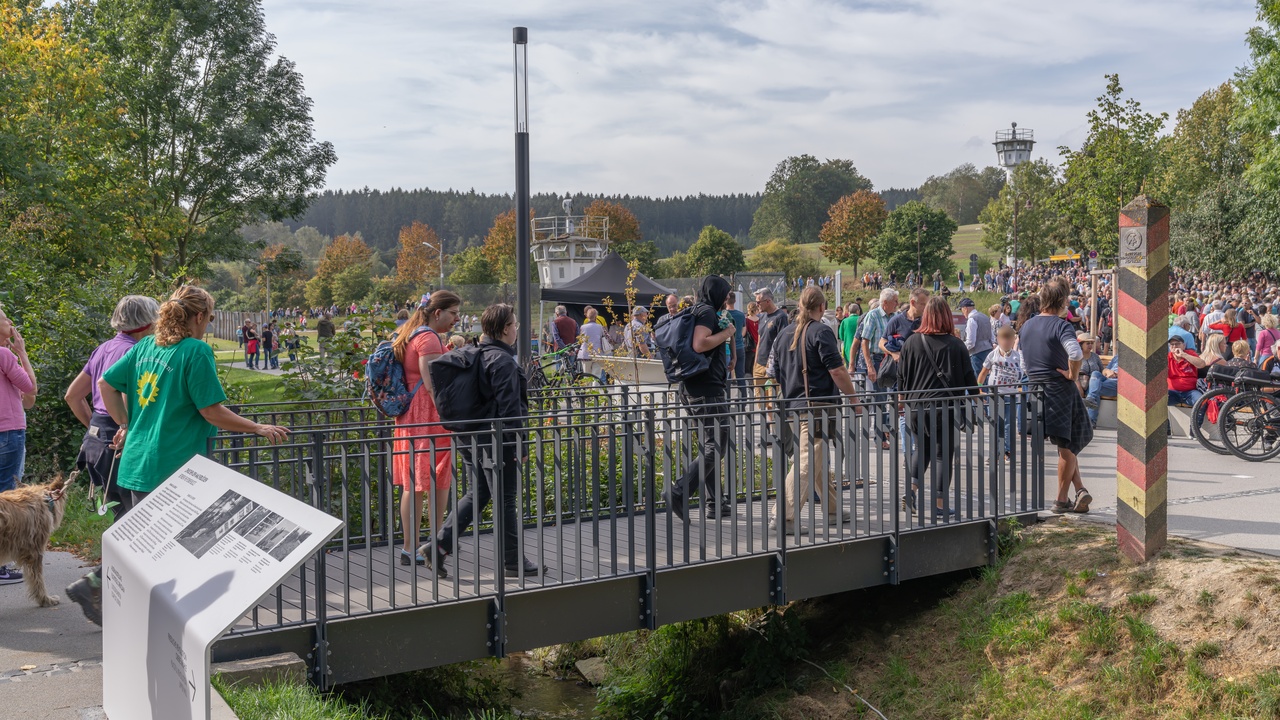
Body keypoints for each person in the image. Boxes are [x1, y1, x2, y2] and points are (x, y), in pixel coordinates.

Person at [66, 286, 288, 625]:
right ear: (199, 317)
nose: (209, 325)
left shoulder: (143, 347)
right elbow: (211, 412)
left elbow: (106, 386)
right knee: (175, 549)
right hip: (176, 465)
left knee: (152, 546)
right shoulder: (194, 351)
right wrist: (256, 427)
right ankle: (161, 619)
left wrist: (126, 422)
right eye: (210, 318)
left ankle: (111, 596)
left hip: (138, 462)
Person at [426, 304, 544, 577]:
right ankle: (513, 560)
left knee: (478, 492)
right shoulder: (502, 360)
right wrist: (519, 444)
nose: (516, 330)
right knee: (505, 498)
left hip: (470, 436)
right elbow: (510, 408)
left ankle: (438, 546)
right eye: (514, 325)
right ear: (504, 329)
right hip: (495, 440)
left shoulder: (475, 353)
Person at [64, 296, 161, 526]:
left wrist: (94, 427)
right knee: (135, 513)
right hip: (120, 438)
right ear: (149, 322)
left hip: (96, 441)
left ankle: (111, 559)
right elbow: (127, 399)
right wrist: (123, 426)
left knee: (117, 512)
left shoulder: (103, 349)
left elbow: (72, 396)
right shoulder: (137, 352)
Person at [769, 287, 856, 533]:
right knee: (807, 460)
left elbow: (774, 372)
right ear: (821, 307)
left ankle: (832, 509)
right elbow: (837, 370)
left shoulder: (784, 333)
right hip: (817, 405)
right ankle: (783, 516)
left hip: (792, 405)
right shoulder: (821, 332)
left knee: (815, 457)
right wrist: (854, 400)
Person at [391, 291, 460, 571]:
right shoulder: (429, 338)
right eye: (453, 313)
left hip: (411, 418)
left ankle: (415, 546)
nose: (456, 318)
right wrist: (451, 416)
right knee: (435, 480)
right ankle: (430, 543)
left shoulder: (412, 333)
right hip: (428, 417)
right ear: (437, 313)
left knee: (415, 483)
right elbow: (433, 383)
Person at [663, 276, 737, 521]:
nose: (727, 297)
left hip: (694, 388)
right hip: (707, 389)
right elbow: (700, 343)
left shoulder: (696, 309)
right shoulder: (706, 312)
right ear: (715, 292)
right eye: (725, 292)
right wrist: (726, 333)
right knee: (716, 445)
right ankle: (679, 491)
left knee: (709, 445)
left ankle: (715, 503)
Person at [898, 296, 978, 520]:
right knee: (943, 456)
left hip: (916, 408)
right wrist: (978, 399)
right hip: (944, 409)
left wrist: (903, 401)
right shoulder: (955, 344)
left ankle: (910, 492)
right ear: (946, 316)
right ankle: (939, 505)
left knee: (921, 449)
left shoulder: (911, 342)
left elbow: (902, 378)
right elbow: (968, 379)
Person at [1020, 278, 1092, 515]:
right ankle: (1061, 500)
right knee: (1068, 445)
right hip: (1059, 389)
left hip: (1036, 389)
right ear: (1060, 301)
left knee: (1066, 443)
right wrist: (1072, 374)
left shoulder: (1027, 326)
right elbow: (1074, 351)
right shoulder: (1062, 326)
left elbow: (1023, 362)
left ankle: (1079, 489)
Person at [0, 307, 37, 586]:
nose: (10, 322)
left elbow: (26, 399)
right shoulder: (5, 355)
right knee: (6, 498)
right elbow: (31, 388)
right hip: (8, 432)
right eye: (4, 318)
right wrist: (21, 352)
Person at [978, 325, 1024, 456]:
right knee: (995, 423)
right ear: (998, 339)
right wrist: (978, 388)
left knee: (1008, 424)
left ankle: (1006, 450)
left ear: (1013, 340)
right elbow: (983, 373)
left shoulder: (1017, 356)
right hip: (994, 395)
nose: (1006, 342)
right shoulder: (992, 355)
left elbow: (1023, 375)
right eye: (1003, 339)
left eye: (1009, 339)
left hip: (1010, 395)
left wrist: (1020, 388)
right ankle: (995, 451)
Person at [752, 288, 789, 404]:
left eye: (758, 302)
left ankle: (772, 422)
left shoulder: (780, 317)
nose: (757, 305)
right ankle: (766, 421)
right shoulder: (762, 317)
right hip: (759, 364)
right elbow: (760, 340)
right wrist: (755, 363)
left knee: (772, 399)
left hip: (772, 365)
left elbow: (783, 342)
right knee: (760, 399)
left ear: (768, 301)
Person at [959, 298, 993, 378]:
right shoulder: (985, 317)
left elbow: (971, 343)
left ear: (965, 309)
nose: (962, 313)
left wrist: (961, 348)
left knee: (978, 379)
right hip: (988, 350)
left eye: (962, 310)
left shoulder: (972, 320)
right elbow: (992, 336)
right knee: (986, 376)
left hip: (977, 353)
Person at [725, 294, 747, 398]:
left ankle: (728, 401)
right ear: (735, 301)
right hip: (740, 346)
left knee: (727, 377)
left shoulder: (724, 314)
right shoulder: (741, 314)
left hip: (728, 348)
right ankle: (743, 400)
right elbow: (744, 329)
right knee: (740, 376)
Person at [838, 302, 860, 372]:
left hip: (848, 348)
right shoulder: (861, 319)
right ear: (858, 311)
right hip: (859, 348)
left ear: (849, 311)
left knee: (849, 369)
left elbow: (841, 336)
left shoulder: (844, 321)